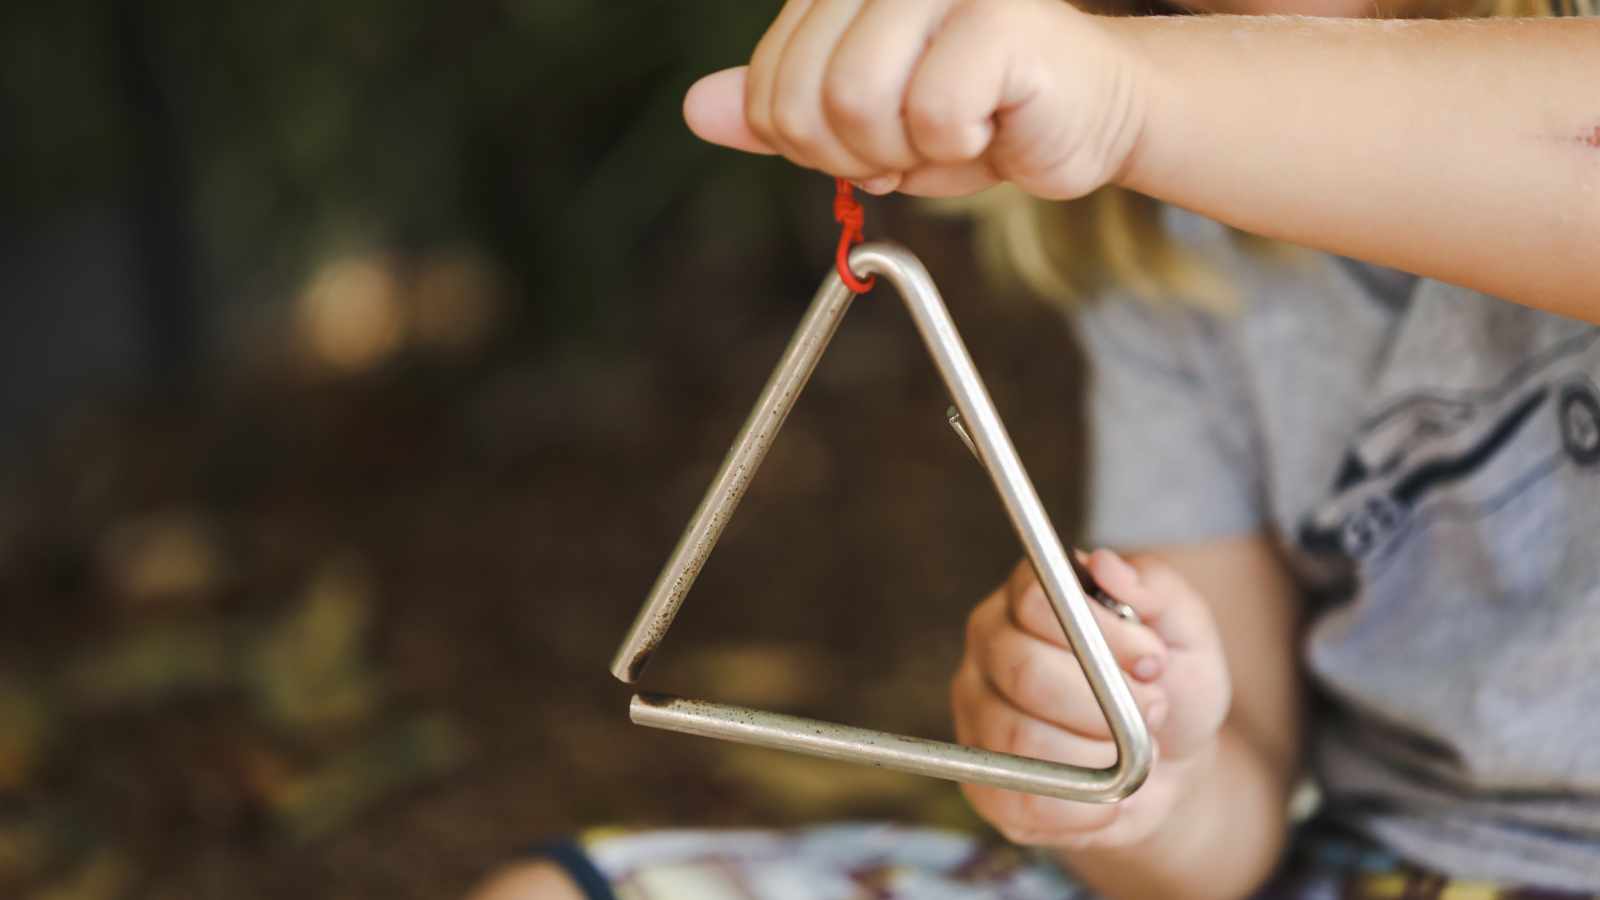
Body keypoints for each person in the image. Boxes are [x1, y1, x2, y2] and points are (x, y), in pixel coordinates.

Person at [474, 0, 1600, 894]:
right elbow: (1225, 828)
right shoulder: (1162, 257)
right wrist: (1131, 771)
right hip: (1359, 863)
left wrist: (1133, 100)